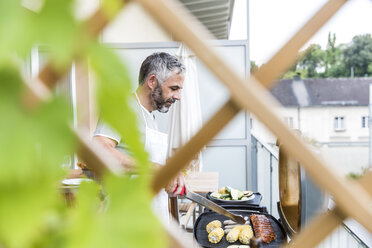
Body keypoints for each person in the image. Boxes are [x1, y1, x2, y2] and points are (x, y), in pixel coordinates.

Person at [93, 52, 188, 220]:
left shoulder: (150, 116)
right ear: (152, 81)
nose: (178, 97)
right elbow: (100, 150)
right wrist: (160, 170)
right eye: (173, 88)